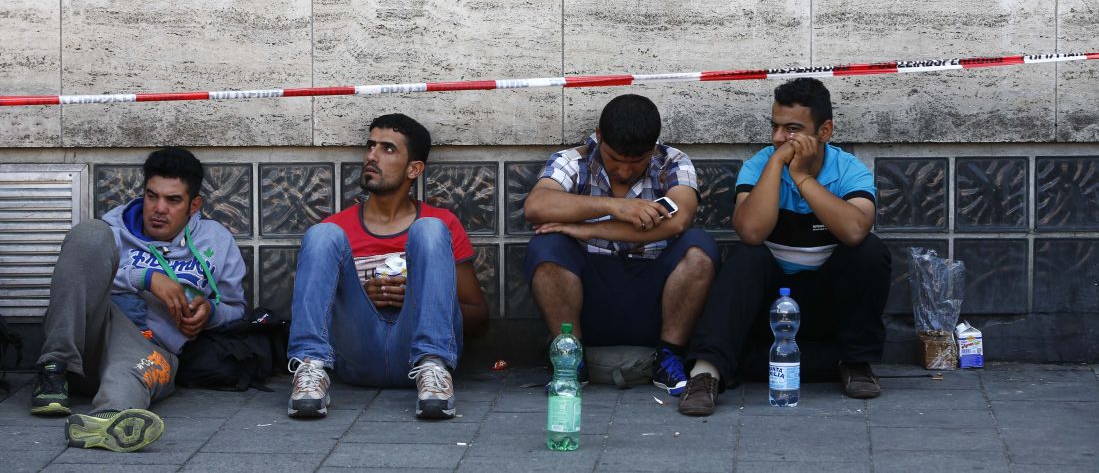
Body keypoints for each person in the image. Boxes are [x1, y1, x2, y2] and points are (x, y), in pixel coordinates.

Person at [678, 77, 892, 416]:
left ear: (824, 131)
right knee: (745, 256)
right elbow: (750, 231)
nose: (779, 138)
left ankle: (854, 361)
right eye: (775, 127)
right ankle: (706, 374)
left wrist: (804, 179)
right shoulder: (761, 164)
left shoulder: (848, 170)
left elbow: (854, 230)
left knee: (869, 251)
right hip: (771, 306)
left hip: (824, 306)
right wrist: (778, 165)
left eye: (792, 129)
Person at [31, 147, 247, 451]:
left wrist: (210, 312)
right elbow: (79, 271)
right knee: (89, 233)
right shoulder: (113, 230)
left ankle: (106, 421)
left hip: (152, 350)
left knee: (133, 369)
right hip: (90, 340)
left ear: (194, 205)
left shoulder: (216, 240)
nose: (159, 209)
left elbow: (237, 309)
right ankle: (53, 369)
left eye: (173, 200)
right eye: (152, 196)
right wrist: (145, 278)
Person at [286, 113, 488, 420]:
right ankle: (310, 369)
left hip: (418, 356)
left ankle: (434, 368)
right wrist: (362, 295)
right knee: (321, 234)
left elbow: (478, 318)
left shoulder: (443, 225)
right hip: (356, 353)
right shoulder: (338, 228)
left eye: (387, 149)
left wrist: (420, 296)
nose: (371, 156)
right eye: (370, 146)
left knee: (430, 228)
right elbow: (313, 308)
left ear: (414, 169)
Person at [523, 94, 719, 396]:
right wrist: (615, 206)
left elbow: (679, 219)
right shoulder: (572, 160)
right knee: (547, 246)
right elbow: (537, 205)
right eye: (616, 160)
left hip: (654, 297)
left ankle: (669, 356)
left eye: (636, 162)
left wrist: (590, 230)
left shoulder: (673, 162)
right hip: (589, 298)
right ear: (599, 136)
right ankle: (571, 360)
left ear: (652, 147)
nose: (625, 172)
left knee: (698, 247)